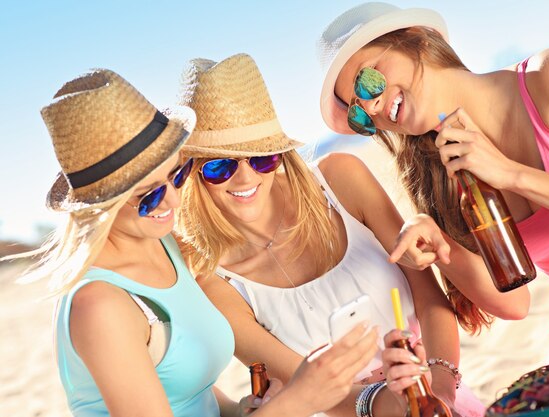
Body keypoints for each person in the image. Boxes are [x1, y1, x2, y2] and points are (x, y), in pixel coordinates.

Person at [11, 68, 379, 417]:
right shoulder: (100, 306)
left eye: (177, 175)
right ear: (98, 208)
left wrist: (241, 409)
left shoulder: (166, 245)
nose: (172, 201)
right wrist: (298, 400)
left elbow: (186, 391)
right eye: (149, 196)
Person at [175, 53, 485, 417]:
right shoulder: (217, 284)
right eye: (218, 166)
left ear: (280, 155)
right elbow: (306, 387)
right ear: (193, 174)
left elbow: (430, 299)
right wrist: (392, 402)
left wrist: (440, 393)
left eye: (260, 158)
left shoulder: (341, 179)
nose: (245, 179)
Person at [318, 2, 549, 363]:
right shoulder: (447, 177)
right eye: (358, 114)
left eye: (366, 81)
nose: (370, 109)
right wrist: (443, 250)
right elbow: (515, 304)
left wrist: (513, 175)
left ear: (416, 38)